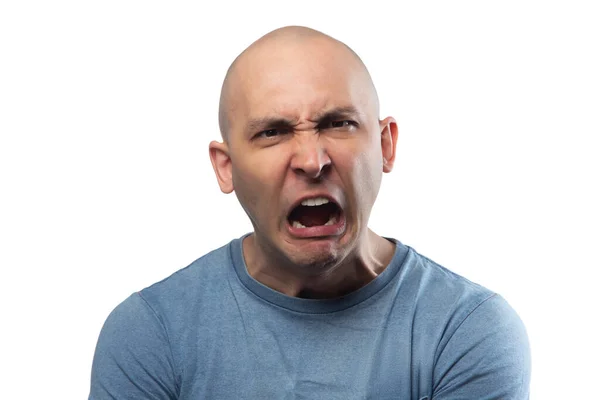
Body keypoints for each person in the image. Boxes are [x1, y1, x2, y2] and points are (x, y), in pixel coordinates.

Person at [89, 26, 530, 399]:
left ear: (385, 145)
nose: (310, 159)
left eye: (338, 123)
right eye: (272, 132)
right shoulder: (151, 333)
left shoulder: (466, 330)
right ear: (227, 169)